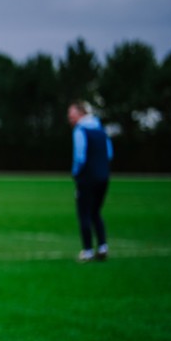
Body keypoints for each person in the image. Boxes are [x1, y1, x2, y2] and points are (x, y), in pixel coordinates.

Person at [67, 101, 113, 262]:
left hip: (87, 178)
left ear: (81, 114)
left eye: (71, 115)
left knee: (84, 213)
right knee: (95, 212)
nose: (70, 119)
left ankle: (87, 251)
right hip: (104, 177)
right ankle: (102, 246)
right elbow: (109, 153)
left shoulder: (81, 130)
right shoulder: (100, 129)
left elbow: (80, 156)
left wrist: (75, 173)